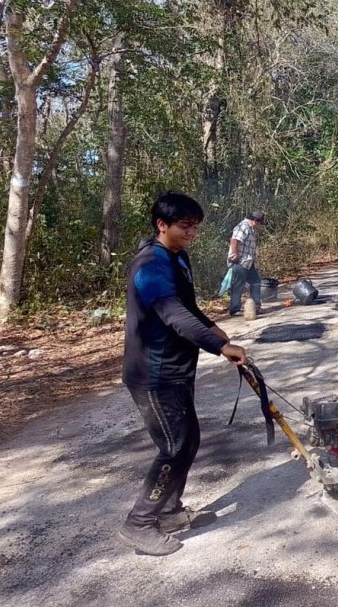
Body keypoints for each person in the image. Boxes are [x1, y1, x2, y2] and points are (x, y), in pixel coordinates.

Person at [118, 192, 248, 557]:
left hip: (175, 370)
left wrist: (212, 328)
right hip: (154, 375)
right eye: (185, 226)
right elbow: (172, 314)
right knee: (174, 446)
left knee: (187, 442)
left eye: (196, 226)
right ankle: (138, 524)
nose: (192, 232)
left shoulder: (177, 257)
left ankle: (170, 512)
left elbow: (189, 307)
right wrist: (219, 346)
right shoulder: (150, 266)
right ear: (162, 225)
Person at [227, 210, 266, 316]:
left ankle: (256, 307)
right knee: (238, 285)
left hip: (249, 262)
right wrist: (235, 254)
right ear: (256, 221)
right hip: (240, 261)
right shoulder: (243, 226)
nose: (260, 226)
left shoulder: (251, 229)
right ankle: (235, 309)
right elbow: (234, 240)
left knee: (256, 282)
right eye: (260, 223)